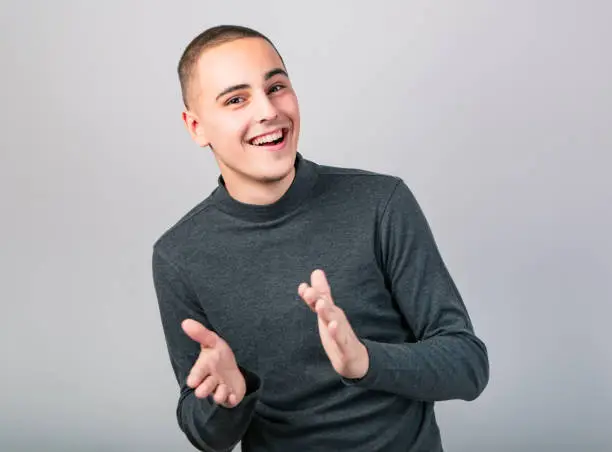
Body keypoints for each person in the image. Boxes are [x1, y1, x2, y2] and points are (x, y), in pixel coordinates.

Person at [151, 24, 489, 452]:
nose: (267, 111)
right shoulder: (178, 255)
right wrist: (230, 398)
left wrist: (363, 360)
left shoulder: (381, 203)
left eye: (276, 87)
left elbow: (468, 365)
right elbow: (206, 435)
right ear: (196, 127)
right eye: (236, 99)